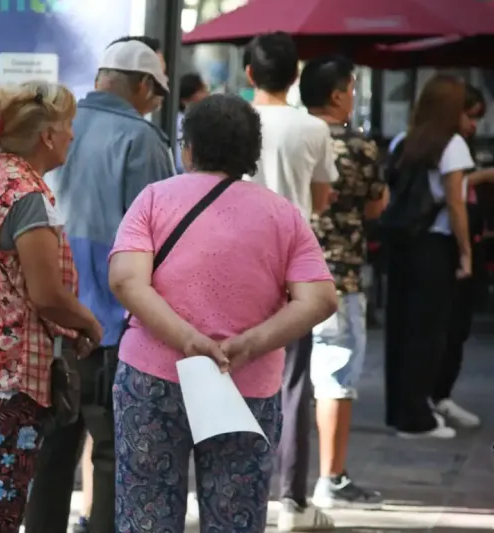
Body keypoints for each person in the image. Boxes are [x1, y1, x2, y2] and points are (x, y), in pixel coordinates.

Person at [108, 92, 338, 532]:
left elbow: (126, 280)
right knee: (235, 515)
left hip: (153, 379)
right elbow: (320, 299)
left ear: (188, 147)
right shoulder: (283, 215)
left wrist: (187, 339)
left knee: (146, 509)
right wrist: (249, 343)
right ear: (251, 153)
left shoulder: (155, 199)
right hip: (244, 384)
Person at [0, 80, 103, 533]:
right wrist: (88, 322)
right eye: (69, 127)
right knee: (0, 510)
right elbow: (46, 294)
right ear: (48, 135)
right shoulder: (26, 195)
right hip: (3, 373)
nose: (72, 136)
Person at [24, 38, 173, 533]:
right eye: (158, 93)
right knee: (110, 453)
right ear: (144, 85)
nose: (156, 104)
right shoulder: (143, 140)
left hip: (46, 325)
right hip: (110, 328)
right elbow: (157, 244)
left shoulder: (54, 130)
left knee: (49, 452)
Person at [243, 32, 338, 531]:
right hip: (294, 265)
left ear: (248, 74)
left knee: (235, 373)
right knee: (294, 383)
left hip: (238, 261)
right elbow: (322, 199)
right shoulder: (313, 129)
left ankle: (240, 486)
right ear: (296, 76)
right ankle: (291, 502)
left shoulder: (235, 122)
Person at [298, 55, 389, 509]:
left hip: (287, 275)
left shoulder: (291, 138)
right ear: (336, 95)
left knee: (288, 379)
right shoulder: (359, 147)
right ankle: (330, 477)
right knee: (336, 375)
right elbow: (375, 208)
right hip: (339, 275)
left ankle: (287, 475)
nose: (353, 97)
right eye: (352, 90)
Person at [384, 74, 475, 439]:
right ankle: (418, 417)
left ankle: (400, 411)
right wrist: (466, 251)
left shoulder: (401, 142)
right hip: (434, 246)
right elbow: (456, 204)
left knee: (401, 328)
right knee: (429, 332)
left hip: (402, 244)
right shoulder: (452, 145)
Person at [431, 84, 493, 429]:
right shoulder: (449, 145)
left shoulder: (452, 143)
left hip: (460, 243)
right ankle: (437, 396)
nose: (473, 126)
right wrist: (466, 254)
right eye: (470, 116)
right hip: (450, 245)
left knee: (455, 327)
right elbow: (455, 197)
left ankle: (440, 395)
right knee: (449, 327)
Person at [175, 73, 209, 173]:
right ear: (185, 100)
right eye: (202, 90)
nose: (207, 93)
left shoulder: (202, 121)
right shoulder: (179, 124)